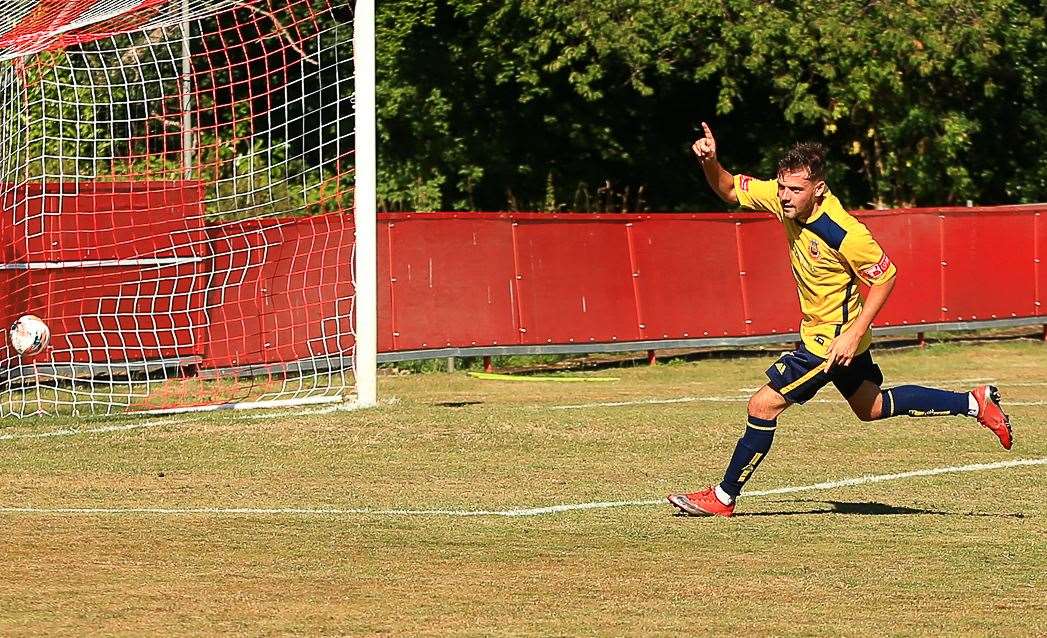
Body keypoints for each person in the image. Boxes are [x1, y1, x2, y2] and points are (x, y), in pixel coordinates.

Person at [667, 123, 1013, 518]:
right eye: (781, 187)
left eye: (794, 190)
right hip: (832, 334)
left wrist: (853, 333)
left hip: (828, 344)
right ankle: (974, 402)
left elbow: (886, 276)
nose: (784, 197)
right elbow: (729, 189)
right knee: (872, 407)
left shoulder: (844, 232)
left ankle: (724, 497)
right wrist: (712, 162)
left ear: (818, 188)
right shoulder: (783, 200)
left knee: (762, 405)